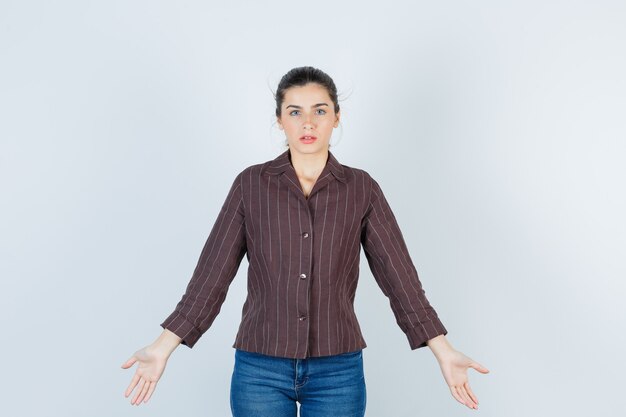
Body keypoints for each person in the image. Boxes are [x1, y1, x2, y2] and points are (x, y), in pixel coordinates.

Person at [121, 66, 490, 416]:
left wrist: (443, 351)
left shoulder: (362, 189)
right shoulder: (250, 186)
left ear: (337, 117)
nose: (308, 122)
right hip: (260, 369)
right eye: (295, 112)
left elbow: (400, 280)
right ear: (280, 120)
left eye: (320, 110)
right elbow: (210, 279)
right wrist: (162, 348)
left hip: (338, 372)